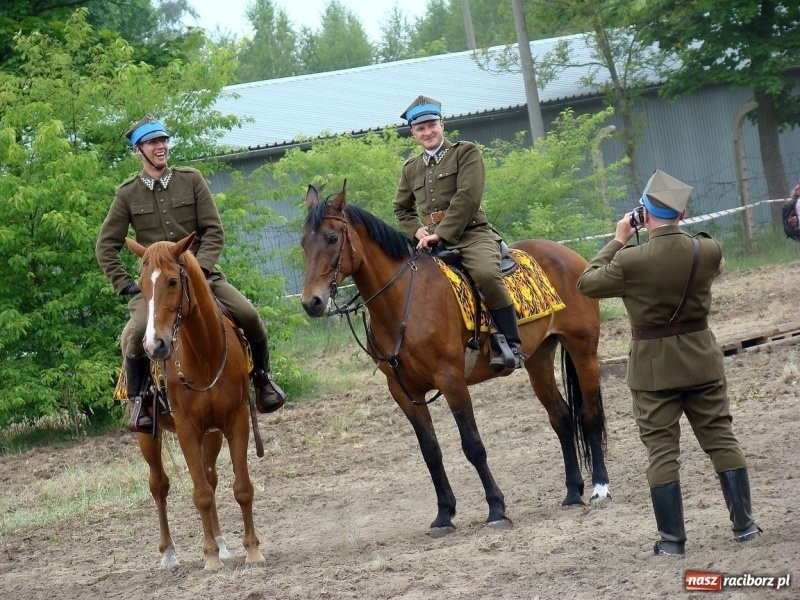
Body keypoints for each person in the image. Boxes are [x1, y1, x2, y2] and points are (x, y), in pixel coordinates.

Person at [577, 169, 762, 556]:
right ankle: (745, 527)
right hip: (701, 360)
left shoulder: (630, 261)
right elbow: (712, 270)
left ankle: (672, 542)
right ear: (683, 213)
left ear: (643, 214)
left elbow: (586, 283)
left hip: (653, 369)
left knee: (662, 451)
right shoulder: (707, 250)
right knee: (721, 438)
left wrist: (618, 239)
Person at [96, 114, 285, 432]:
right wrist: (126, 283)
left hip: (202, 277)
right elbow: (105, 246)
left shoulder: (191, 180)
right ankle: (141, 401)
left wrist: (201, 268)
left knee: (249, 314)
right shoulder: (127, 194)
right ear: (138, 150)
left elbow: (214, 231)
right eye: (152, 142)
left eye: (163, 140)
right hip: (158, 286)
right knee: (136, 333)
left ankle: (263, 380)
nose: (160, 146)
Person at [392, 95, 523, 371]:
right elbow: (401, 208)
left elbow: (468, 197)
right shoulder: (410, 168)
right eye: (420, 128)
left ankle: (511, 344)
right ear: (413, 134)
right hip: (430, 241)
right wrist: (418, 231)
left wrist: (441, 234)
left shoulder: (465, 153)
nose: (427, 132)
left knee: (486, 275)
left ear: (442, 125)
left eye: (431, 125)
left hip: (472, 234)